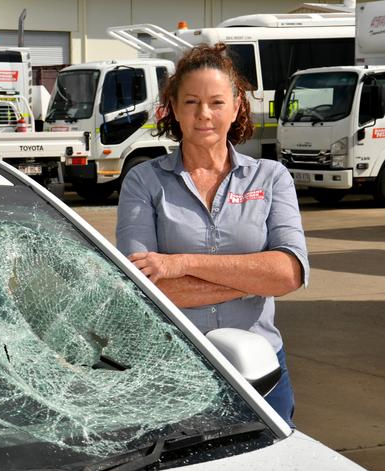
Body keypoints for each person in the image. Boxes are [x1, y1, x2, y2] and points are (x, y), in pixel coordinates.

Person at [116, 43, 309, 428]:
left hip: (262, 373)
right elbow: (144, 290)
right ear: (172, 106)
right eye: (191, 102)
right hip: (174, 373)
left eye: (216, 102)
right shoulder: (144, 181)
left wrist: (181, 263)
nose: (204, 114)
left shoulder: (270, 178)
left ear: (237, 107)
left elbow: (288, 273)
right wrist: (253, 279)